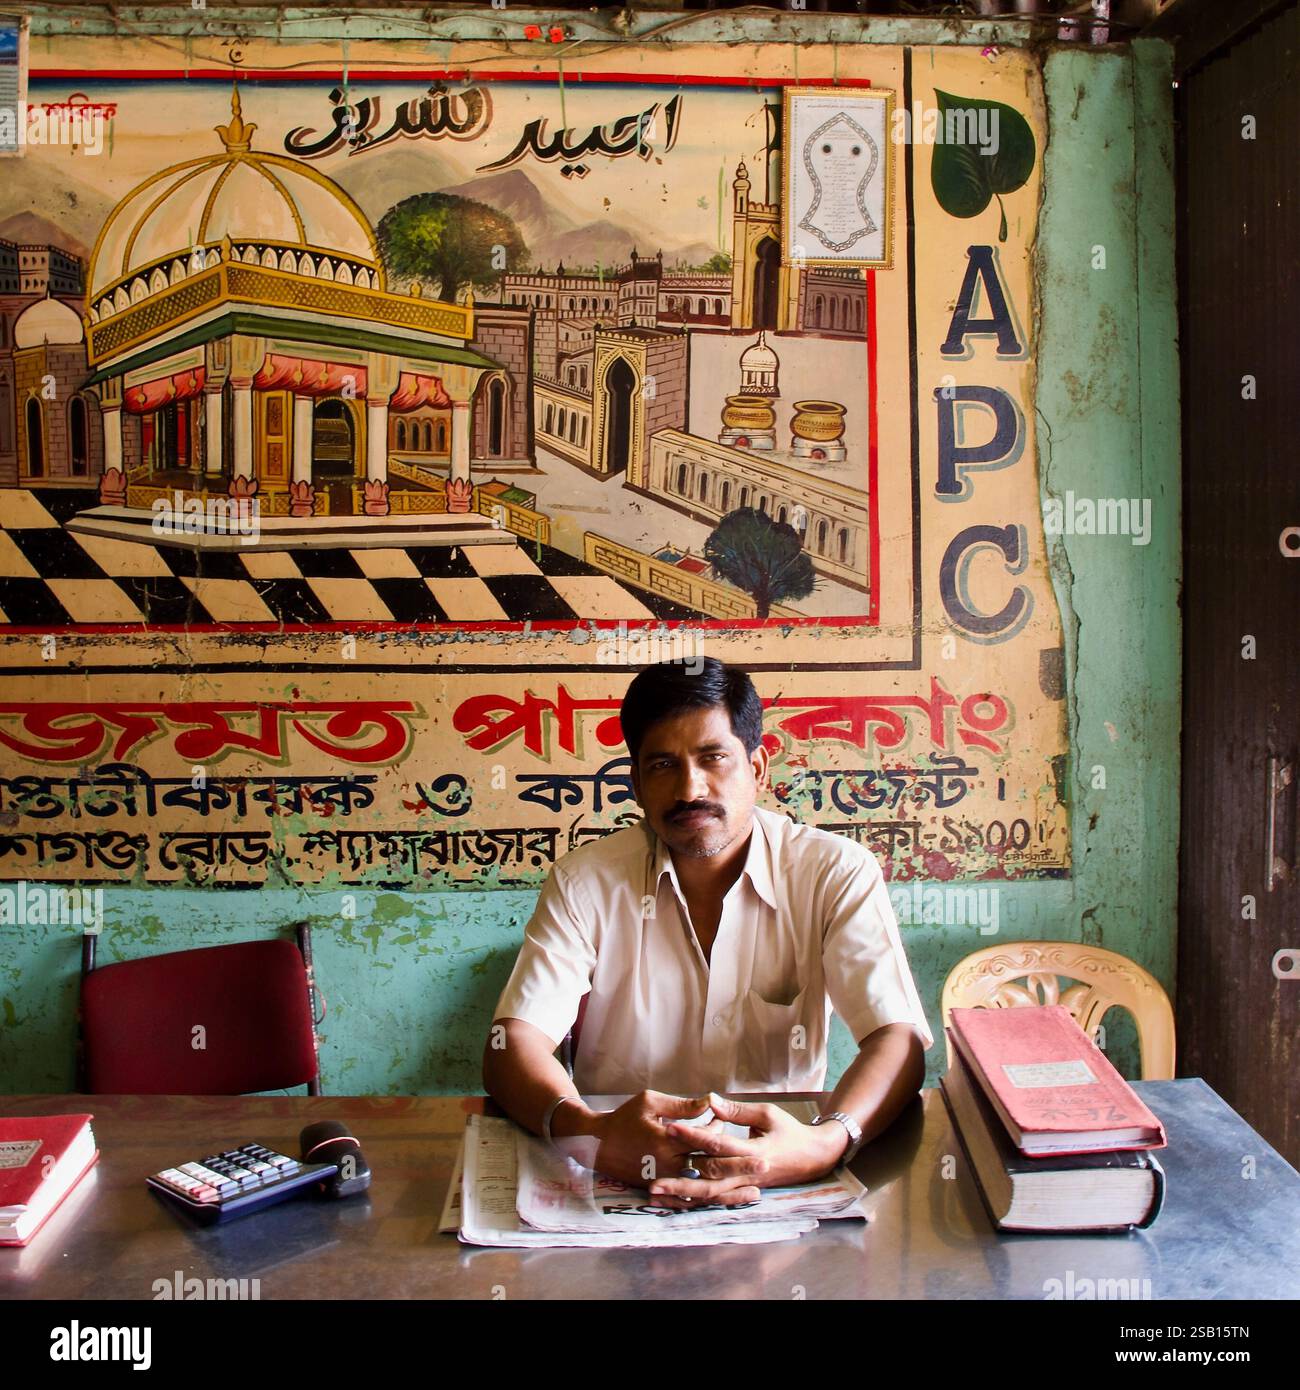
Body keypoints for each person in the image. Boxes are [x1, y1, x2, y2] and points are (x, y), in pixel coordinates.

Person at [482, 657, 933, 1210]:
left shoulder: (833, 872)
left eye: (713, 758)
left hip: (777, 1170)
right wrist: (588, 1134)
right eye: (663, 765)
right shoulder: (586, 881)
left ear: (759, 768)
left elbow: (897, 1037)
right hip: (621, 1171)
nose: (689, 788)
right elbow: (511, 1045)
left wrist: (827, 1141)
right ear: (636, 782)